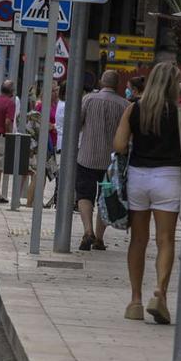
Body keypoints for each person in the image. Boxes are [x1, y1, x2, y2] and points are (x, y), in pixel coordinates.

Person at [114, 62, 181, 325]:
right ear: (173, 85)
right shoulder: (180, 114)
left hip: (138, 176)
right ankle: (160, 293)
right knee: (165, 240)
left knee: (138, 239)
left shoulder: (134, 109)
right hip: (168, 177)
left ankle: (135, 300)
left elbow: (120, 144)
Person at [76, 71, 129, 251]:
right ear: (118, 85)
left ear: (101, 81)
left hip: (87, 157)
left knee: (84, 194)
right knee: (105, 198)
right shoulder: (125, 105)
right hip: (111, 163)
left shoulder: (88, 99)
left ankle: (87, 230)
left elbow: (77, 124)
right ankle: (99, 238)